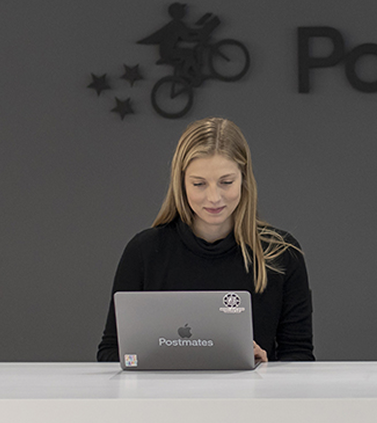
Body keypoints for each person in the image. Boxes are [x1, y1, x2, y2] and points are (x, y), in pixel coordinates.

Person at [97, 117, 314, 363]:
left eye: (226, 182)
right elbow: (110, 351)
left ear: (244, 179)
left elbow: (299, 356)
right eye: (199, 184)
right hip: (163, 390)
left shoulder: (282, 254)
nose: (214, 197)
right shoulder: (144, 252)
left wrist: (266, 368)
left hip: (253, 390)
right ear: (181, 184)